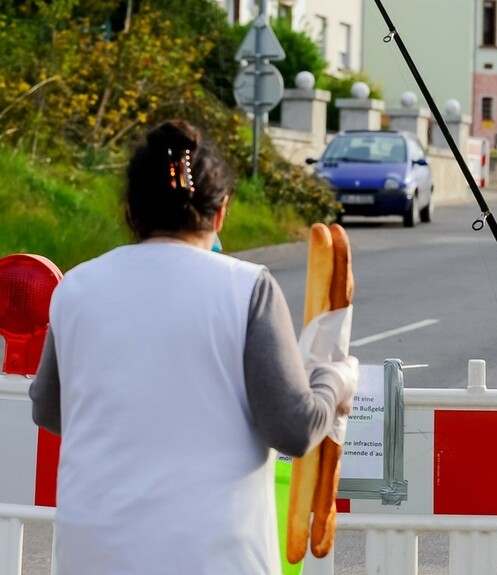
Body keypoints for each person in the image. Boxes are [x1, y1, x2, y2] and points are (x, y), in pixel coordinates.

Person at [29, 120, 358, 575]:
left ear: (130, 211)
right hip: (214, 556)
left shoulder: (76, 288)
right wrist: (336, 379)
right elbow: (294, 429)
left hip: (93, 555)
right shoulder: (247, 289)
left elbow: (49, 409)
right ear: (221, 211)